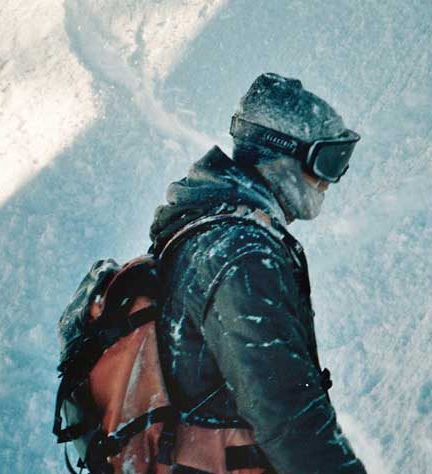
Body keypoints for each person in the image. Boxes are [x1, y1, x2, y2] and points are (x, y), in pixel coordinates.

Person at [150, 73, 367, 474]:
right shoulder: (242, 256)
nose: (329, 181)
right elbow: (289, 417)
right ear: (282, 156)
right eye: (327, 162)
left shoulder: (214, 233)